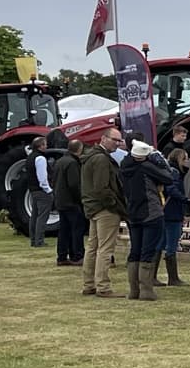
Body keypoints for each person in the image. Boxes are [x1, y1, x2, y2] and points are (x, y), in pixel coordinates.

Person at [118, 138, 179, 300]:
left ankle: (134, 290)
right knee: (148, 251)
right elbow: (168, 177)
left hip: (132, 212)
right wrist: (158, 160)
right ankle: (146, 290)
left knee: (135, 250)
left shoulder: (124, 166)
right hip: (151, 212)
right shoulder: (146, 167)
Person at [79, 126, 127, 296]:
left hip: (94, 207)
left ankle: (89, 284)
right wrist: (115, 205)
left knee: (93, 247)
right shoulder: (101, 159)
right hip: (104, 208)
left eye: (119, 140)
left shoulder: (91, 156)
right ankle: (103, 287)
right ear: (104, 138)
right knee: (105, 249)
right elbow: (102, 188)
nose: (117, 143)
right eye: (115, 140)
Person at [48, 131, 85, 266]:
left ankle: (62, 256)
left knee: (64, 230)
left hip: (60, 201)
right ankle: (77, 255)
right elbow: (74, 184)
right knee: (77, 229)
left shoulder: (60, 161)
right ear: (79, 149)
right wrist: (81, 199)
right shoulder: (72, 163)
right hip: (71, 202)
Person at [160, 144, 190, 285]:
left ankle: (153, 276)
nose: (187, 161)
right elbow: (172, 190)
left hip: (168, 212)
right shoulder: (174, 173)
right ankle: (173, 278)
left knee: (160, 243)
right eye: (185, 159)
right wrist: (185, 200)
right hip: (172, 212)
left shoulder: (169, 171)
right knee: (171, 244)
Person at [25, 137, 55, 249]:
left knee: (34, 216)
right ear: (40, 146)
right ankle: (39, 240)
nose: (46, 146)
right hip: (42, 191)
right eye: (45, 144)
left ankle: (33, 240)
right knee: (42, 217)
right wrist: (48, 190)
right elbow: (42, 177)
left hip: (33, 191)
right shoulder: (40, 158)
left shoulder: (30, 157)